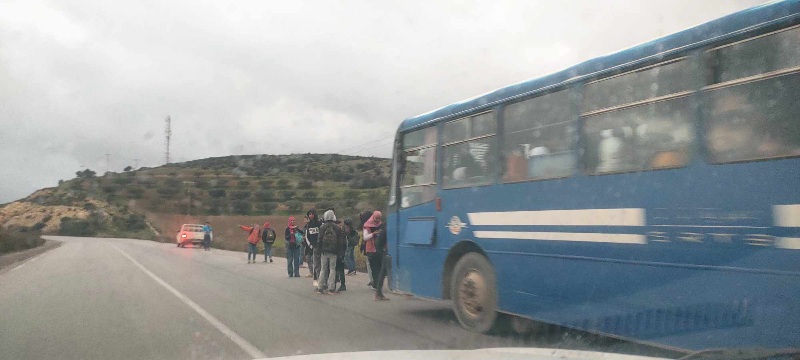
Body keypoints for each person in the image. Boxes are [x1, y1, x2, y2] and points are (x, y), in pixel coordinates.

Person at [363, 211, 389, 301]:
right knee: (376, 269)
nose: (378, 220)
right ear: (373, 217)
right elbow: (365, 237)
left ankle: (378, 290)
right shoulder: (368, 225)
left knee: (381, 268)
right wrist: (373, 234)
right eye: (376, 218)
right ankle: (377, 288)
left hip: (380, 250)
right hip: (372, 249)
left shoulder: (382, 225)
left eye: (379, 218)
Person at [317, 209, 344, 295]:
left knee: (323, 269)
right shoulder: (337, 228)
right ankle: (331, 287)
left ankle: (320, 287)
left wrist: (319, 250)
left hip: (324, 251)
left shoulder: (322, 227)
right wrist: (339, 252)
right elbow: (340, 242)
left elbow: (319, 240)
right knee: (332, 269)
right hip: (334, 252)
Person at [305, 209, 322, 287]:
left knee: (322, 264)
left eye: (312, 214)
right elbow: (307, 236)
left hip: (321, 246)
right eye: (309, 214)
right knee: (316, 263)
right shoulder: (308, 225)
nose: (311, 216)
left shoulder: (319, 223)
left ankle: (321, 279)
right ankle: (315, 279)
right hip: (313, 247)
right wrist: (310, 245)